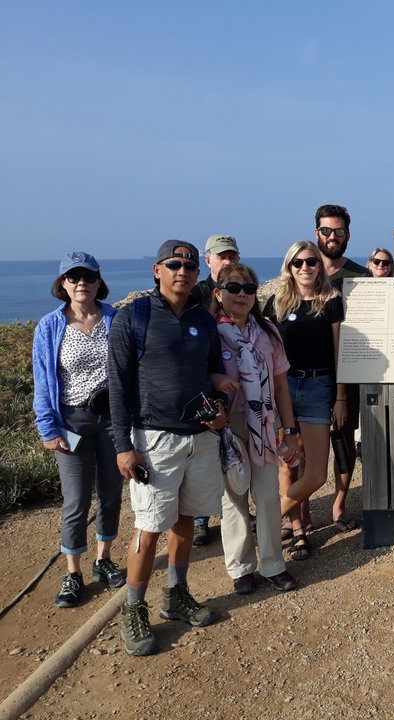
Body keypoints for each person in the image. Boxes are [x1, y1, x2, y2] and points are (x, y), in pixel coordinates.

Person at [108, 240, 229, 656]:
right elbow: (118, 386)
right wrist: (123, 446)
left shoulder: (203, 320)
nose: (183, 271)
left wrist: (222, 410)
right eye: (174, 264)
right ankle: (134, 607)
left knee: (186, 520)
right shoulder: (133, 317)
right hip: (153, 439)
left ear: (198, 274)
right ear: (157, 270)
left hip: (199, 437)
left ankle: (176, 594)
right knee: (149, 526)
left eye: (190, 266)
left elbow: (216, 372)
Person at [33, 252, 126, 608]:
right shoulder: (50, 325)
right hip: (70, 420)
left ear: (99, 280)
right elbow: (43, 380)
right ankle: (73, 573)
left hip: (112, 420)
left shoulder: (115, 319)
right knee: (75, 500)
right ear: (63, 284)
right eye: (73, 277)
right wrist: (47, 427)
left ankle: (103, 560)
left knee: (111, 493)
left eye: (88, 276)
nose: (81, 283)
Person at [211, 263, 300, 594]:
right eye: (233, 289)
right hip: (227, 425)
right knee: (233, 497)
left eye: (249, 289)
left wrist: (289, 430)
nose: (242, 295)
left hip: (263, 423)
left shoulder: (267, 334)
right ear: (218, 294)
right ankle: (241, 568)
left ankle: (274, 564)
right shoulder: (209, 333)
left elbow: (281, 388)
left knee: (267, 495)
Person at [263, 241, 347, 560]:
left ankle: (266, 522)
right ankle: (298, 531)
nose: (305, 268)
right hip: (283, 389)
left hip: (317, 387)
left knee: (315, 473)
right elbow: (266, 353)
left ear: (319, 265)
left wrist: (340, 398)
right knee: (289, 469)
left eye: (311, 261)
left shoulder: (332, 300)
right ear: (289, 267)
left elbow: (340, 354)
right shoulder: (277, 303)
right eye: (297, 263)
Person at [313, 204, 370, 533]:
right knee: (304, 445)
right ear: (316, 232)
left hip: (348, 373)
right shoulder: (303, 270)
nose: (333, 237)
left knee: (345, 440)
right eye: (326, 230)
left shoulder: (360, 277)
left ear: (348, 235)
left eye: (339, 231)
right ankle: (300, 514)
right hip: (307, 373)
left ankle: (338, 505)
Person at [192, 234, 241, 547]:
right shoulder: (196, 293)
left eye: (231, 256)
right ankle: (200, 520)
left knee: (231, 453)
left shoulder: (240, 290)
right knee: (204, 455)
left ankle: (234, 515)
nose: (227, 261)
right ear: (207, 260)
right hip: (204, 383)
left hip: (234, 384)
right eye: (221, 256)